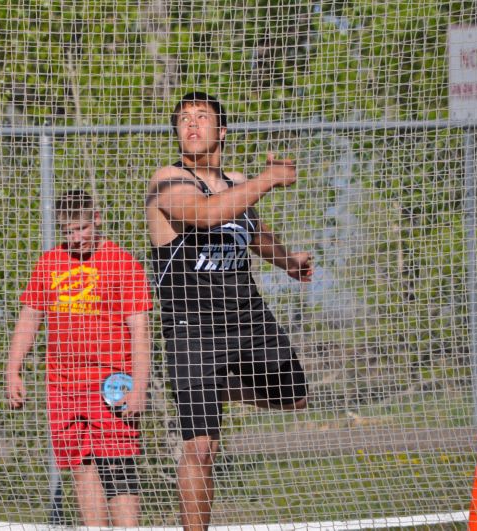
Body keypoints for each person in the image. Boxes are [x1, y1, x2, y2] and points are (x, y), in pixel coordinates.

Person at [145, 92, 312, 531]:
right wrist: (267, 179)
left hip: (246, 316)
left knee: (295, 395)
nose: (192, 124)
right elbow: (203, 215)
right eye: (183, 118)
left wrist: (288, 261)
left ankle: (216, 389)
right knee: (201, 448)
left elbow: (253, 231)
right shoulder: (167, 180)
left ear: (222, 131)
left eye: (202, 117)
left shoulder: (236, 182)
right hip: (193, 328)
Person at [6, 189, 153, 527]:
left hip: (111, 385)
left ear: (97, 220)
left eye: (82, 229)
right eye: (69, 231)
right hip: (63, 387)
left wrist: (140, 388)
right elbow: (29, 318)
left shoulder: (122, 262)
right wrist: (12, 370)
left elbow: (140, 331)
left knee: (119, 468)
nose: (77, 238)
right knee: (81, 467)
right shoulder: (50, 262)